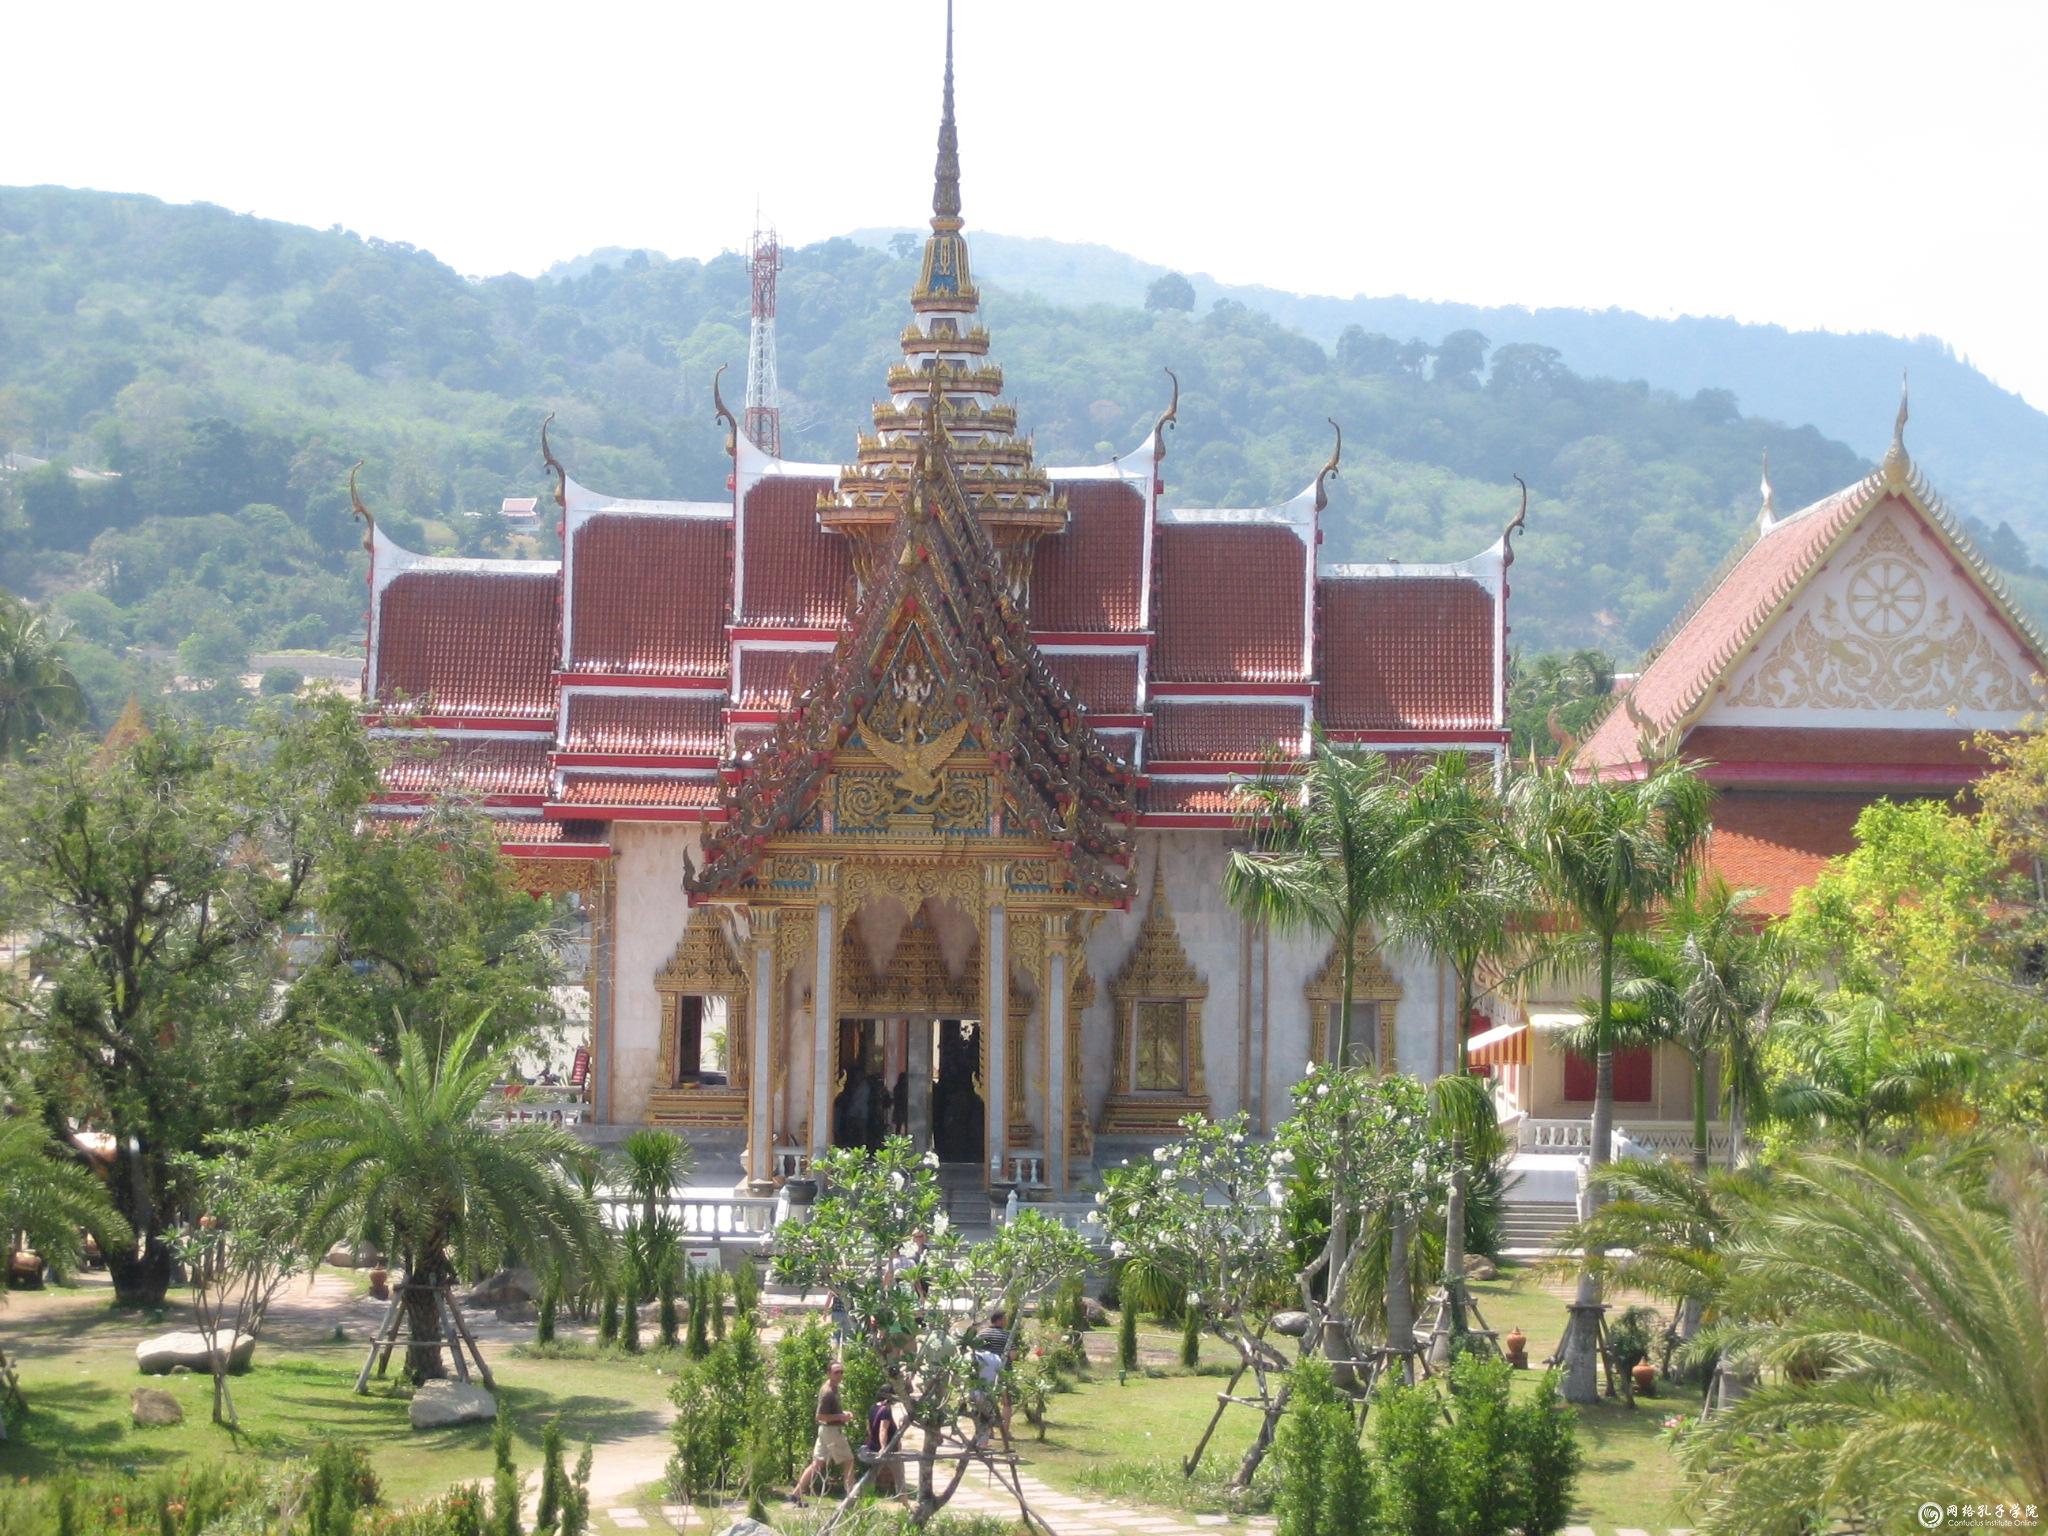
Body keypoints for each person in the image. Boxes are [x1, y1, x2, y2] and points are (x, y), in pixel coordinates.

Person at [793, 1359, 856, 1505]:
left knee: (817, 1463)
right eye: (836, 1372)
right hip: (831, 1431)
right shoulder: (828, 1392)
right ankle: (850, 1497)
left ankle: (796, 1494)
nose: (840, 1375)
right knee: (849, 1460)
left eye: (841, 1372)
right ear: (829, 1373)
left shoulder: (834, 1388)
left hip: (826, 1430)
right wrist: (841, 1417)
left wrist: (842, 1413)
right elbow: (819, 1416)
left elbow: (829, 1413)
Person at [864, 1389, 901, 1496]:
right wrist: (883, 1447)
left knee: (871, 1477)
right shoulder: (886, 1410)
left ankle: (864, 1498)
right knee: (899, 1478)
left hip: (873, 1447)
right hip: (889, 1451)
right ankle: (906, 1503)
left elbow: (869, 1428)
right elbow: (883, 1429)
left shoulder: (872, 1408)